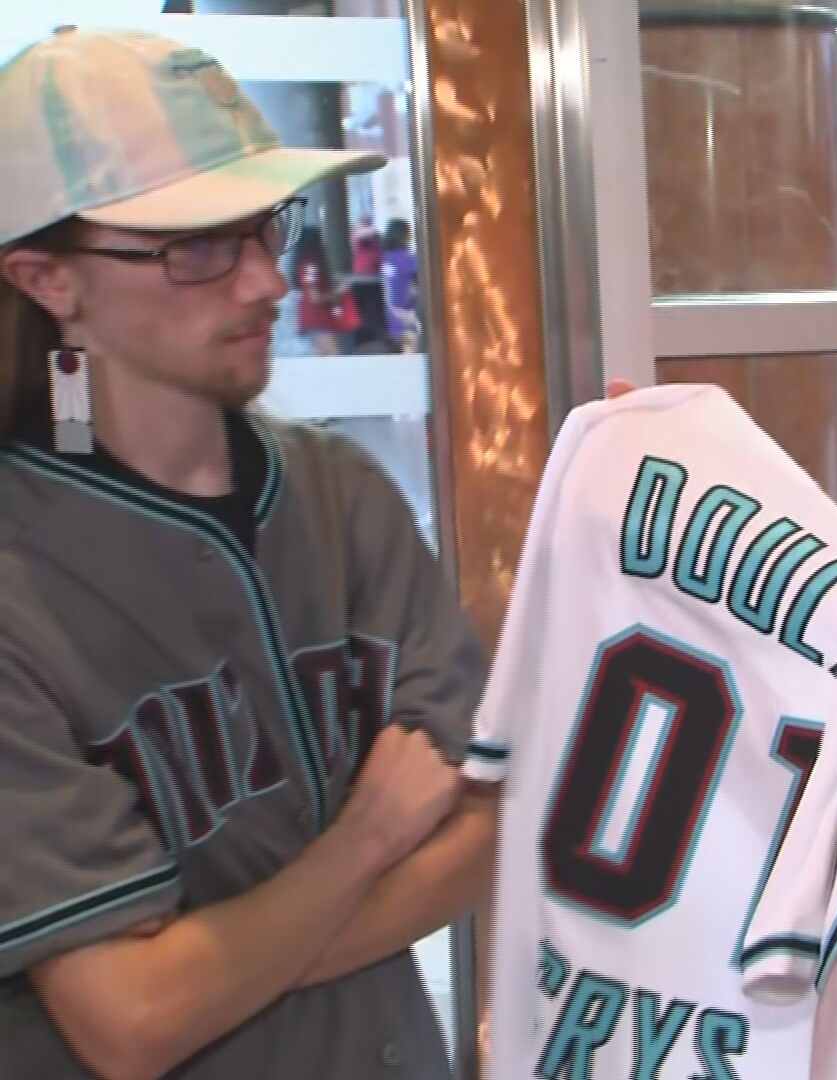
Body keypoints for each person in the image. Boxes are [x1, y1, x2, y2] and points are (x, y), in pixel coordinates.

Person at [0, 28, 493, 1079]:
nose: (270, 281)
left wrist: (212, 962)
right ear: (48, 279)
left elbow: (486, 834)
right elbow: (126, 1023)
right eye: (200, 248)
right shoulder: (19, 587)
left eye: (265, 228)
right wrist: (367, 840)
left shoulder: (340, 495)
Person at [291, 228, 353, 356]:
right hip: (317, 319)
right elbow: (315, 298)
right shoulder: (312, 266)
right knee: (333, 356)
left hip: (311, 318)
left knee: (320, 359)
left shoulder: (303, 264)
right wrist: (338, 293)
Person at [380, 218, 419, 351]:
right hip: (407, 311)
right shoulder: (408, 258)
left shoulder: (385, 257)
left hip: (391, 312)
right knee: (410, 350)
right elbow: (420, 282)